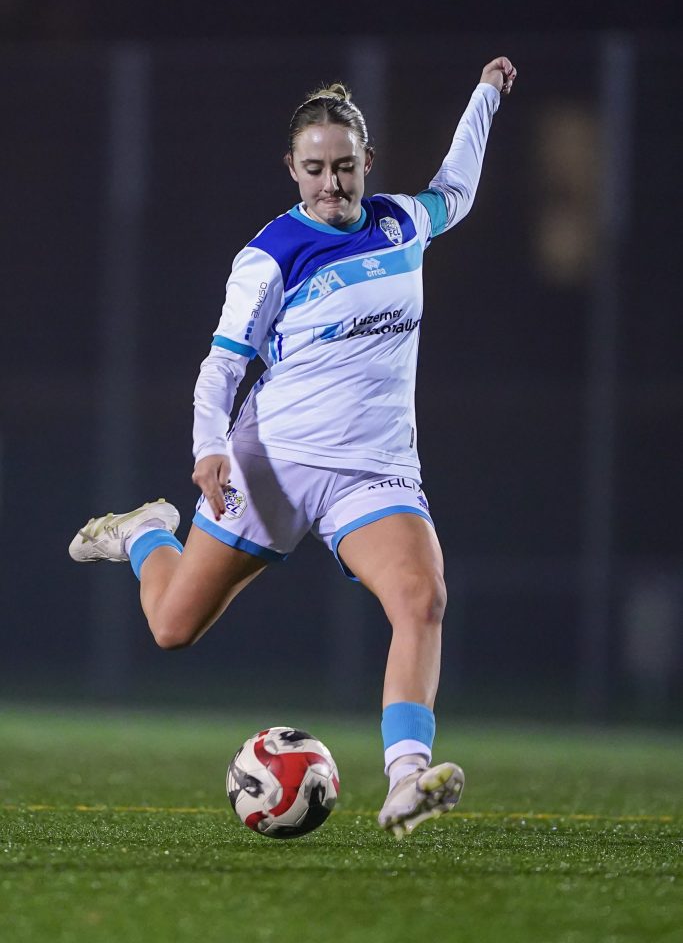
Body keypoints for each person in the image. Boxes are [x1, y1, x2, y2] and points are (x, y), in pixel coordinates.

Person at [69, 56, 517, 838]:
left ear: (366, 161)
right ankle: (145, 533)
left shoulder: (399, 223)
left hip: (373, 472)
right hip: (270, 465)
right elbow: (222, 367)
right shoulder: (270, 255)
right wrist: (208, 449)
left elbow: (454, 190)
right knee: (172, 628)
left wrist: (483, 97)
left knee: (421, 599)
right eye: (314, 170)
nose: (330, 185)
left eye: (343, 167)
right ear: (291, 168)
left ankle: (405, 779)